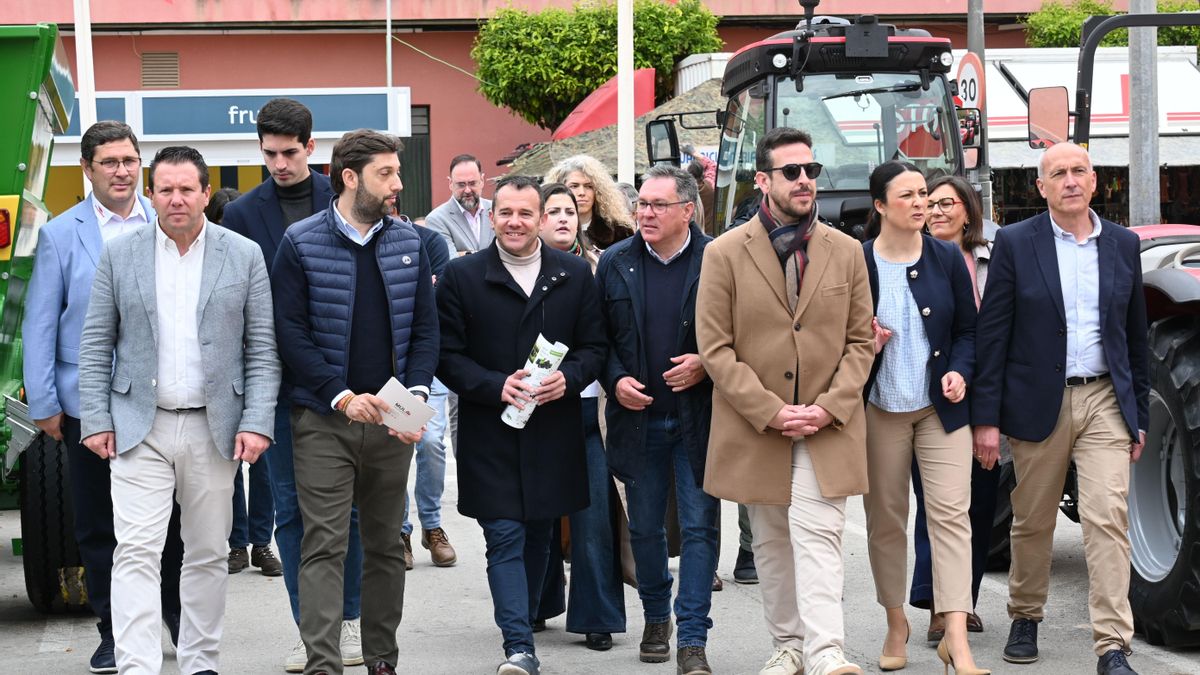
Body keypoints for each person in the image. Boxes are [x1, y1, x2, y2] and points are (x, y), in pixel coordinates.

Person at [77, 145, 280, 675]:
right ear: (150, 194)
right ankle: (137, 665)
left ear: (206, 194)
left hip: (215, 427)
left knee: (208, 552)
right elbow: (96, 342)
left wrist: (257, 421)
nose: (176, 199)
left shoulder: (244, 255)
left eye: (187, 189)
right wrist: (95, 418)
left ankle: (199, 661)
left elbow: (262, 348)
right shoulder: (120, 254)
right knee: (135, 551)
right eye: (165, 189)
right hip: (138, 426)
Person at [696, 127, 874, 675]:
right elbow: (715, 347)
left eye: (811, 171)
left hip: (827, 425)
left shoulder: (846, 251)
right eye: (791, 171)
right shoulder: (724, 253)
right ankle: (788, 646)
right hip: (758, 427)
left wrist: (829, 407)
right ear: (762, 180)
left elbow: (861, 342)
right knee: (772, 542)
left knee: (819, 536)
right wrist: (770, 410)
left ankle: (826, 651)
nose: (804, 180)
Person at [973, 143, 1149, 675]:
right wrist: (986, 419)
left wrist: (1138, 415)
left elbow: (1135, 337)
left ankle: (1112, 645)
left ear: (1093, 181)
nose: (1070, 181)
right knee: (1033, 518)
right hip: (1036, 399)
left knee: (1108, 516)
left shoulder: (1122, 244)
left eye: (1078, 171)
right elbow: (993, 333)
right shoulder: (1015, 242)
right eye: (1058, 174)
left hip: (1104, 400)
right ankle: (1026, 615)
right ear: (1041, 187)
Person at [272, 129, 437, 675]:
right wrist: (340, 396)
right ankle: (323, 664)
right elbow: (289, 332)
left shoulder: (410, 242)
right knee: (325, 543)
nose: (397, 183)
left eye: (397, 172)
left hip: (393, 420)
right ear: (349, 177)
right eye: (385, 173)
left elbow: (426, 331)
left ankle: (382, 660)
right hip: (324, 418)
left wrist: (414, 397)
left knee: (386, 545)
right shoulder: (300, 242)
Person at [23, 120, 185, 674]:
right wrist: (45, 403)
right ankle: (114, 631)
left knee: (170, 521)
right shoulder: (60, 235)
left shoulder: (168, 223)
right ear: (87, 169)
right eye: (109, 162)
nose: (121, 171)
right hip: (86, 403)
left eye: (129, 160)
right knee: (98, 524)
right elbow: (41, 322)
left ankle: (176, 619)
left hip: (159, 398)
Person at [437, 174, 606, 675]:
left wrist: (568, 379)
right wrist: (495, 385)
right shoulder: (463, 276)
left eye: (525, 213)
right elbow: (445, 355)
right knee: (504, 536)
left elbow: (596, 347)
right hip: (490, 432)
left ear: (541, 217)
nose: (515, 222)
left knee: (538, 535)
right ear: (491, 218)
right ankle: (518, 647)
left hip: (552, 432)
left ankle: (524, 624)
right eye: (506, 213)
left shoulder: (574, 274)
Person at [220, 97, 363, 672]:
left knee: (347, 513)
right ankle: (312, 632)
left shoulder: (346, 198)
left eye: (288, 152)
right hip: (273, 385)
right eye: (269, 153)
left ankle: (349, 621)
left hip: (341, 381)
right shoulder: (240, 214)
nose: (278, 164)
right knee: (291, 514)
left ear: (311, 147)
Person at [860, 162, 986, 675]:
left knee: (952, 518)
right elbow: (835, 336)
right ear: (880, 206)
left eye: (925, 195)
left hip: (940, 410)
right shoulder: (857, 261)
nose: (922, 204)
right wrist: (865, 347)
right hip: (880, 408)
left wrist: (959, 371)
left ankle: (955, 636)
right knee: (885, 521)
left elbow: (969, 332)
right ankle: (896, 622)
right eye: (909, 196)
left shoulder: (946, 257)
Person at [596, 165, 717, 674]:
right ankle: (655, 616)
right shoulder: (615, 262)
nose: (644, 213)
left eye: (657, 205)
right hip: (637, 421)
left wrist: (707, 363)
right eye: (641, 203)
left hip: (699, 420)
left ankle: (692, 638)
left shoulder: (717, 259)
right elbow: (596, 338)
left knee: (699, 528)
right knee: (645, 529)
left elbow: (743, 332)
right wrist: (615, 378)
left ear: (687, 210)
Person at [534, 182, 624, 651]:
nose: (563, 218)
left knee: (593, 518)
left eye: (569, 211)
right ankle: (537, 602)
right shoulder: (519, 269)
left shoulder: (600, 266)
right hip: (533, 407)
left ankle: (597, 616)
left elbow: (608, 338)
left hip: (589, 406)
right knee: (539, 514)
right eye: (553, 211)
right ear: (538, 219)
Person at [909, 175, 998, 641]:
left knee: (979, 505)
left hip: (985, 393)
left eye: (947, 203)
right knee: (936, 504)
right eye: (931, 202)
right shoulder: (911, 256)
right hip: (932, 397)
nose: (936, 211)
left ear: (968, 212)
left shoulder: (992, 261)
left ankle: (965, 602)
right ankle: (938, 607)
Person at [398, 197, 454, 570]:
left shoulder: (429, 242)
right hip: (388, 370)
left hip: (427, 360)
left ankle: (431, 525)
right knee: (398, 448)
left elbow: (435, 301)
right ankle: (400, 530)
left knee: (431, 442)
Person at [545, 155, 634, 251]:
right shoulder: (544, 231)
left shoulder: (620, 232)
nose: (582, 193)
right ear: (560, 189)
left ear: (598, 191)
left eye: (589, 186)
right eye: (574, 186)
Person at [426, 153, 492, 255]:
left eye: (472, 183)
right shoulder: (436, 219)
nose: (467, 190)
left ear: (482, 180)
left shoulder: (496, 210)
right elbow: (450, 261)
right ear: (450, 184)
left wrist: (464, 254)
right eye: (461, 185)